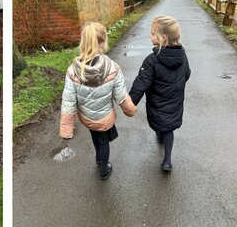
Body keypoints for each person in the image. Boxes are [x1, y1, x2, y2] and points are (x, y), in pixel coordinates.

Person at [59, 21, 137, 179]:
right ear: (102, 42)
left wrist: (66, 128)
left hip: (87, 117)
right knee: (104, 142)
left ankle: (98, 158)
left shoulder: (73, 70)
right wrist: (130, 109)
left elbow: (68, 102)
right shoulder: (112, 67)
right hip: (105, 116)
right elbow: (121, 96)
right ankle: (104, 169)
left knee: (95, 136)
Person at [128, 15, 191, 172]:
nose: (150, 36)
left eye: (152, 33)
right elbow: (187, 74)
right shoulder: (182, 56)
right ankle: (167, 160)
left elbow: (141, 84)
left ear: (163, 38)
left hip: (157, 102)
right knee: (168, 128)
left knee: (160, 122)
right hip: (174, 101)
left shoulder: (151, 60)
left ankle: (160, 134)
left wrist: (130, 102)